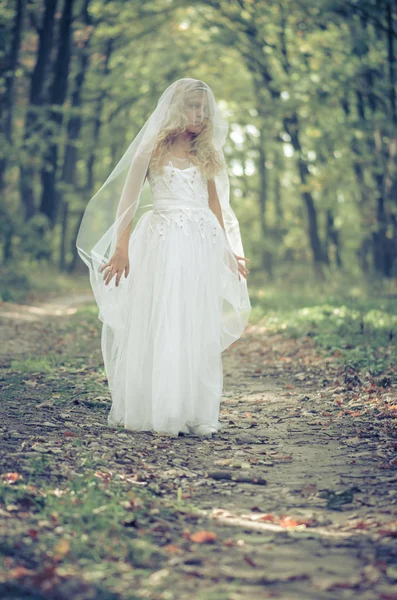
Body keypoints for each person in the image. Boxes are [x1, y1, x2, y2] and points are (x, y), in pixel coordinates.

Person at [76, 78, 251, 438]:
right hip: (163, 237)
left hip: (201, 241)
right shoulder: (151, 151)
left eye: (203, 108)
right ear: (174, 108)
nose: (199, 114)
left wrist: (229, 249)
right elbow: (127, 204)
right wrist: (121, 249)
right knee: (165, 315)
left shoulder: (207, 153)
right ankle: (161, 407)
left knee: (196, 318)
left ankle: (196, 409)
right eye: (192, 106)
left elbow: (217, 205)